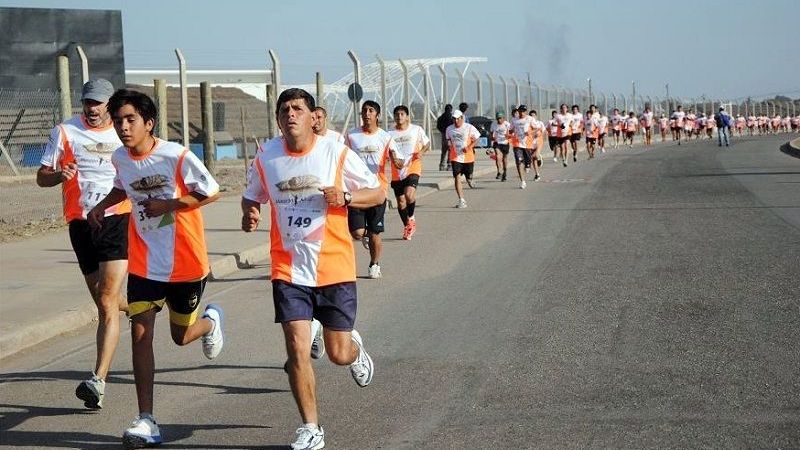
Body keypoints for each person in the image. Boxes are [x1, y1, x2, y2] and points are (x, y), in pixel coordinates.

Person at [242, 88, 382, 450]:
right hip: (288, 269)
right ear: (278, 119)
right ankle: (311, 427)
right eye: (284, 109)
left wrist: (347, 198)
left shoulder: (334, 152)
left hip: (333, 267)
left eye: (298, 108)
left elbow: (378, 192)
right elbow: (252, 193)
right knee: (296, 349)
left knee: (337, 354)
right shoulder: (267, 156)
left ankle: (354, 349)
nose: (291, 114)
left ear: (311, 117)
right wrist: (250, 211)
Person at [88, 89, 224, 449]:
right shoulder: (120, 157)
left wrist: (171, 204)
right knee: (141, 335)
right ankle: (146, 418)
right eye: (117, 120)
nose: (123, 127)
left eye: (130, 119)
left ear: (149, 123)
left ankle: (211, 321)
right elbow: (124, 188)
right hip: (145, 262)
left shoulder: (175, 155)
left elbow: (211, 191)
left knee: (182, 336)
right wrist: (101, 206)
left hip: (185, 261)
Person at [36, 78, 130, 410]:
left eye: (98, 103)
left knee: (105, 302)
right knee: (108, 300)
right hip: (80, 223)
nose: (92, 109)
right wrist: (57, 176)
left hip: (117, 219)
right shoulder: (64, 132)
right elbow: (40, 176)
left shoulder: (123, 131)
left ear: (110, 105)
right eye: (88, 102)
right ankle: (139, 307)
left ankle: (98, 380)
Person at [344, 100, 396, 279]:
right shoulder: (351, 136)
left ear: (377, 115)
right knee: (357, 233)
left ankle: (374, 264)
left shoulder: (385, 137)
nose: (366, 113)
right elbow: (342, 157)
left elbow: (399, 159)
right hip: (357, 191)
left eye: (371, 110)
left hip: (377, 191)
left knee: (375, 232)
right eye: (364, 110)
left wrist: (397, 160)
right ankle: (366, 235)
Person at [388, 105, 430, 240]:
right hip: (397, 170)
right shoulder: (389, 134)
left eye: (402, 114)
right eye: (397, 114)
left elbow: (427, 143)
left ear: (407, 116)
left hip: (413, 166)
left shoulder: (416, 130)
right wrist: (392, 159)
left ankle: (411, 217)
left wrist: (421, 153)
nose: (399, 117)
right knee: (400, 202)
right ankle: (408, 226)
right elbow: (387, 151)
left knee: (409, 195)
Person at [445, 109, 481, 207]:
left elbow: (477, 139)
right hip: (455, 157)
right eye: (454, 119)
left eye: (457, 119)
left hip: (468, 157)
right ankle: (461, 200)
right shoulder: (449, 129)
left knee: (469, 177)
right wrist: (449, 144)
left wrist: (469, 147)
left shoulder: (469, 127)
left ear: (462, 118)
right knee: (457, 177)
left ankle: (470, 179)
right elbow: (448, 140)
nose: (456, 121)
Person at [490, 111, 512, 181]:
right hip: (497, 143)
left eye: (500, 118)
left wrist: (508, 136)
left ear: (503, 118)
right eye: (497, 118)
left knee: (504, 159)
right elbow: (491, 134)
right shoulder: (493, 124)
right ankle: (499, 171)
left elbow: (512, 135)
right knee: (498, 156)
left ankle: (505, 172)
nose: (499, 120)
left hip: (505, 143)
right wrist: (492, 138)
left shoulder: (507, 124)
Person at [436, 104, 454, 171]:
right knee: (450, 150)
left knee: (443, 151)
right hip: (450, 135)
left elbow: (438, 126)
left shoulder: (440, 118)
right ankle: (449, 165)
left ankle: (441, 165)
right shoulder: (452, 118)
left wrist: (443, 131)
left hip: (444, 135)